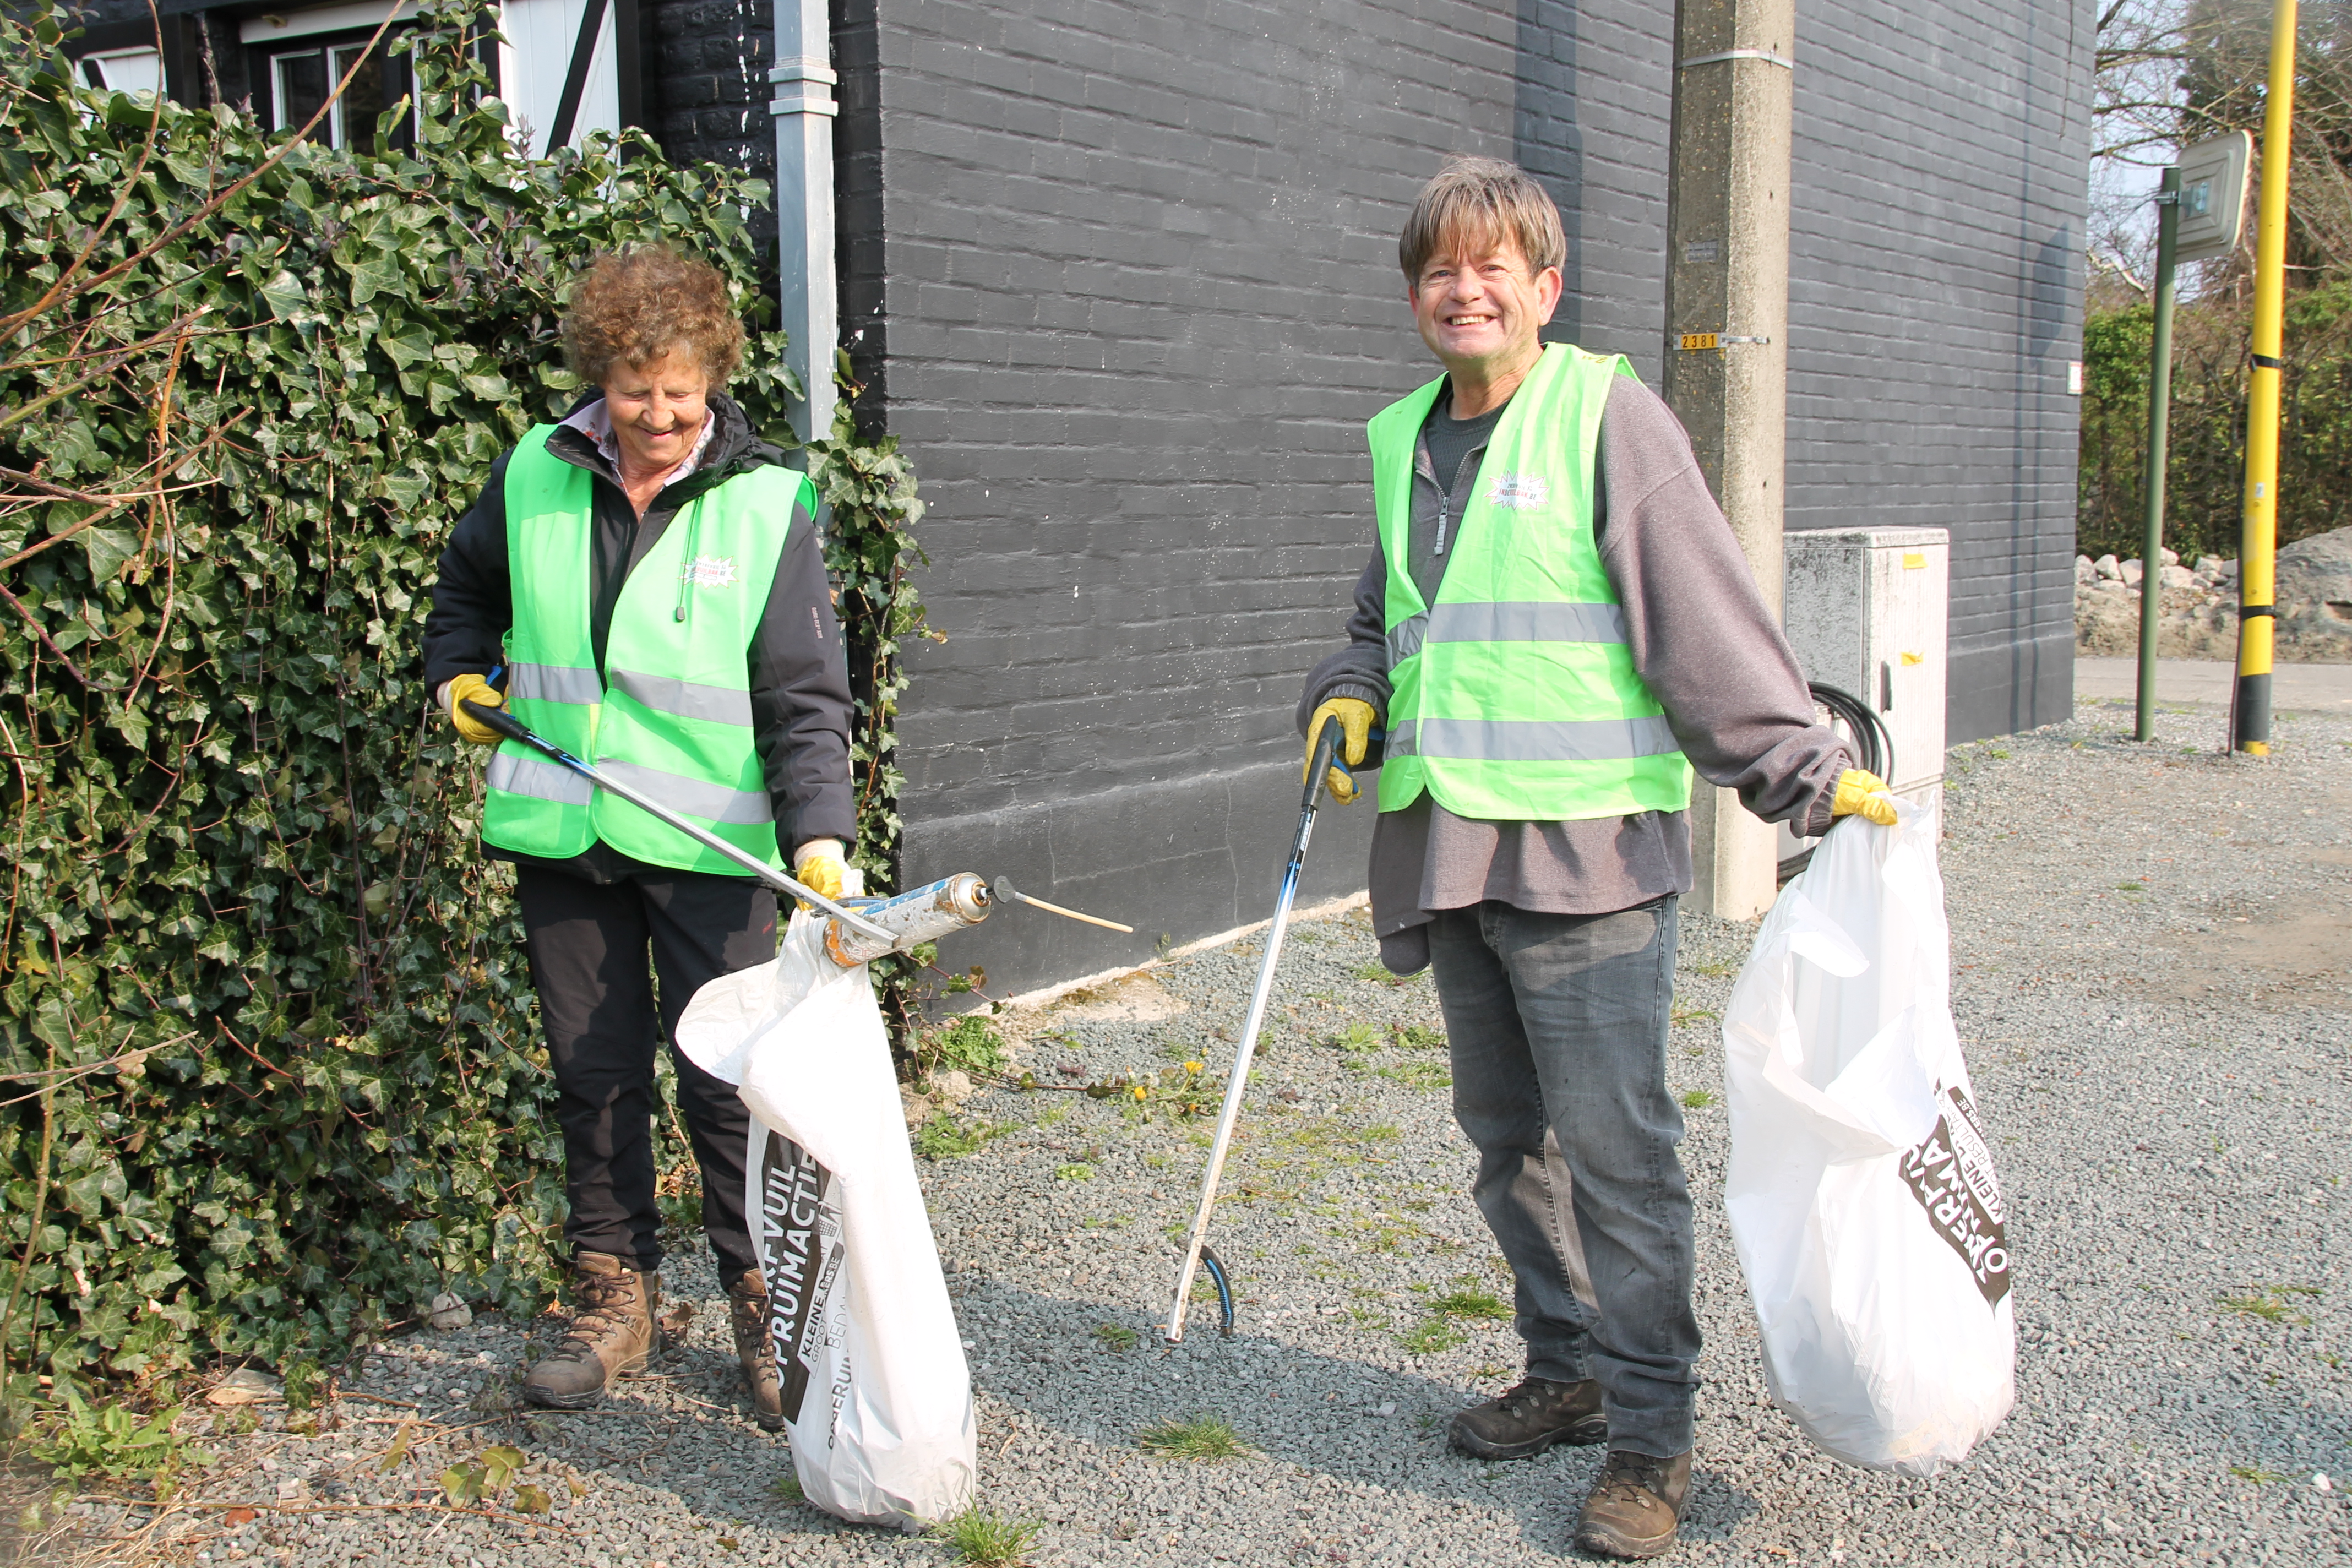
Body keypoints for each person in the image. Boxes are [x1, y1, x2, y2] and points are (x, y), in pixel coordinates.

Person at [1296, 158, 1896, 1560]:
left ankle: (1650, 1435)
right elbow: (1384, 611)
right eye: (1442, 269)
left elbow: (1702, 616)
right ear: (1415, 296)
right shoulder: (1400, 441)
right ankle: (1562, 1370)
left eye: (1494, 265)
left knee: (1621, 1156)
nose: (1467, 288)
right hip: (1449, 843)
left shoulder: (1608, 415)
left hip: (1592, 856)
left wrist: (1804, 775)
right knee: (1512, 1145)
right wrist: (1347, 683)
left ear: (1544, 289)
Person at [421, 245, 855, 1429]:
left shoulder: (770, 500)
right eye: (634, 390)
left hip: (710, 846)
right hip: (565, 835)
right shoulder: (532, 473)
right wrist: (458, 675)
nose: (661, 418)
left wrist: (820, 838)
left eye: (682, 391)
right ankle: (614, 1291)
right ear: (597, 380)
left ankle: (765, 1299)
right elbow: (464, 593)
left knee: (730, 1083)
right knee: (594, 1074)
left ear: (714, 375)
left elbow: (806, 699)